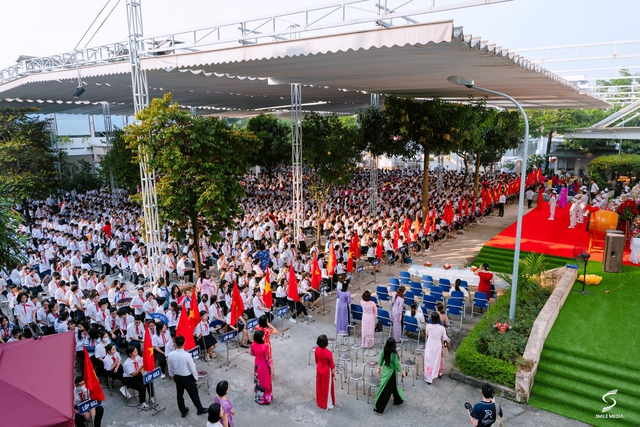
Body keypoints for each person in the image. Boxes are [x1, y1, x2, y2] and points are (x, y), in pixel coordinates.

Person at [167, 335, 208, 417]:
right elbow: (192, 368)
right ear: (184, 343)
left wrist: (172, 375)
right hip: (187, 377)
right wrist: (196, 377)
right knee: (194, 394)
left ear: (175, 344)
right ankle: (200, 409)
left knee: (179, 394)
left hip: (177, 376)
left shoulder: (171, 354)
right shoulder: (187, 355)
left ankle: (183, 411)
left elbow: (170, 366)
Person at [374, 337, 405, 415]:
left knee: (393, 387)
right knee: (386, 391)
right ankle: (380, 409)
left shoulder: (384, 350)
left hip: (385, 371)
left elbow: (381, 360)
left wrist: (379, 368)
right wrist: (402, 371)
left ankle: (398, 400)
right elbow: (397, 365)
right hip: (391, 374)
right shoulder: (394, 355)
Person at [424, 311, 450, 384]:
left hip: (430, 344)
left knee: (428, 360)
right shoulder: (442, 328)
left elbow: (427, 334)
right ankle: (436, 374)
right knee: (436, 361)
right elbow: (445, 338)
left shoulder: (428, 326)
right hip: (437, 345)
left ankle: (428, 377)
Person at [250, 330, 273, 404]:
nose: (264, 337)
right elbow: (268, 359)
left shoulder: (253, 344)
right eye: (263, 336)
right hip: (264, 366)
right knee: (266, 381)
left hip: (257, 364)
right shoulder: (264, 347)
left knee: (258, 381)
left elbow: (252, 353)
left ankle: (259, 398)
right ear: (261, 338)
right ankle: (266, 399)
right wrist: (271, 368)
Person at [314, 334, 336, 411]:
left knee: (320, 386)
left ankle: (320, 401)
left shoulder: (316, 349)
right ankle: (327, 404)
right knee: (327, 388)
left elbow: (316, 361)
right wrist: (334, 372)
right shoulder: (328, 353)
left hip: (319, 368)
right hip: (326, 371)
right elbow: (332, 365)